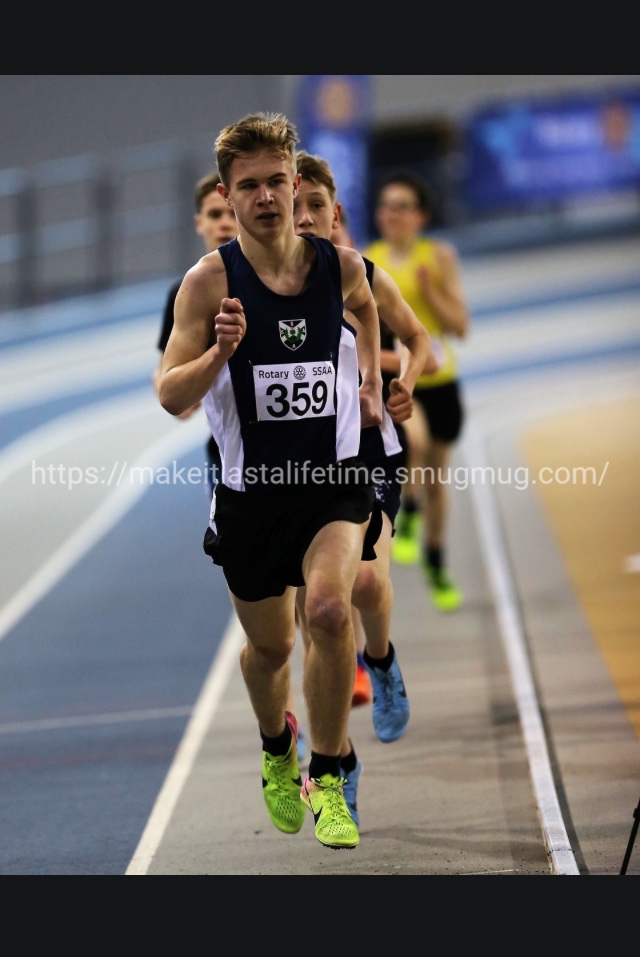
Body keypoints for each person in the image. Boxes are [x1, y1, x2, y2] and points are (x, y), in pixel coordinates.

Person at [158, 112, 384, 852]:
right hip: (252, 495)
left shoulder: (339, 267)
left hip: (331, 480)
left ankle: (331, 773)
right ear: (227, 194)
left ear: (296, 184)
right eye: (248, 186)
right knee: (271, 650)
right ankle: (276, 746)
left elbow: (367, 307)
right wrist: (218, 354)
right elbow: (169, 392)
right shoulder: (207, 283)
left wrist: (370, 381)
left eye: (276, 182)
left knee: (328, 611)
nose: (264, 197)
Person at [292, 151, 434, 824]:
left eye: (314, 206)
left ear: (335, 212)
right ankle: (336, 754)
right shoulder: (261, 287)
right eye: (293, 207)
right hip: (296, 464)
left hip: (368, 449)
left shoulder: (362, 274)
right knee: (317, 612)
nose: (302, 218)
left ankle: (381, 660)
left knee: (369, 584)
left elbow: (421, 339)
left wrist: (406, 381)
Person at [363, 171, 470, 613]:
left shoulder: (438, 256)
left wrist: (430, 291)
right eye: (387, 206)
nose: (393, 214)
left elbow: (460, 326)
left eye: (403, 206)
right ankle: (406, 513)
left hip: (440, 380)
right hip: (399, 381)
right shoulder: (367, 260)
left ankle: (436, 561)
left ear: (421, 215)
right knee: (415, 443)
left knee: (437, 482)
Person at [152, 170, 237, 494]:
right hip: (227, 446)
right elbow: (164, 372)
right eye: (215, 215)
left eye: (231, 214)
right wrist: (179, 392)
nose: (224, 224)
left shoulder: (275, 279)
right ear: (199, 223)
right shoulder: (185, 292)